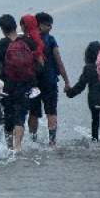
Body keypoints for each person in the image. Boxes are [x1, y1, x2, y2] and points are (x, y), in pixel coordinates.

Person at [0, 14, 35, 154]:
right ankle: (18, 147)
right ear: (16, 26)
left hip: (7, 86)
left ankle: (10, 147)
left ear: (2, 29)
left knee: (9, 115)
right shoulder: (28, 42)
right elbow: (37, 63)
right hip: (25, 84)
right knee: (21, 116)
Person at [31, 12, 71, 147]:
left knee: (34, 112)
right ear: (40, 25)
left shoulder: (29, 40)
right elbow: (59, 61)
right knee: (51, 111)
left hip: (33, 82)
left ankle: (33, 141)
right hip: (50, 81)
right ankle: (52, 142)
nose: (51, 27)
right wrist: (66, 81)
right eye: (48, 24)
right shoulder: (50, 40)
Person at [66, 41, 100, 149]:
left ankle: (94, 141)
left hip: (93, 100)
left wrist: (70, 93)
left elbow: (81, 85)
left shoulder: (88, 68)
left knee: (95, 121)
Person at [18, 14, 46, 143]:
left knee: (21, 111)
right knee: (34, 111)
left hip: (21, 81)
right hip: (35, 82)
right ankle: (33, 139)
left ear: (24, 26)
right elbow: (41, 64)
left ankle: (18, 141)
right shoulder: (37, 41)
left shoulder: (20, 41)